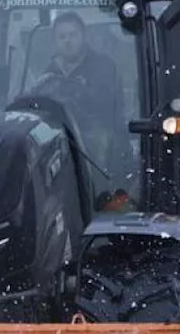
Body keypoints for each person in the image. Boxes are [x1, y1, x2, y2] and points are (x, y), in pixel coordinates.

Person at [31, 11, 132, 210]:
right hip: (60, 133)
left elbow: (104, 103)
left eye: (73, 35)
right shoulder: (49, 71)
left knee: (94, 148)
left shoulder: (103, 66)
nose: (68, 41)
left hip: (99, 133)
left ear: (83, 37)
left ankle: (98, 201)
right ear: (55, 41)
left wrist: (71, 93)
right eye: (62, 37)